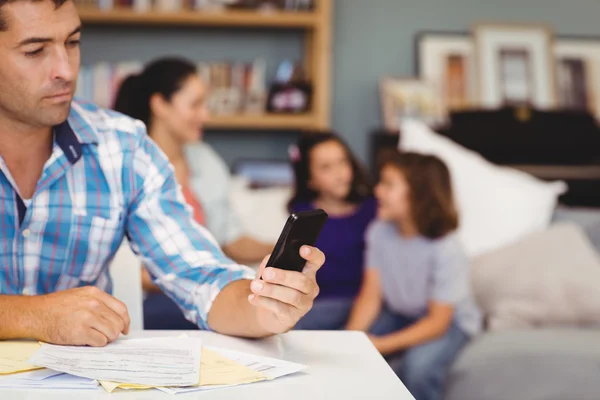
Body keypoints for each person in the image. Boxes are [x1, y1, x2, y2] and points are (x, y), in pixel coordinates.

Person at [0, 0, 324, 347]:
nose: (65, 69)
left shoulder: (124, 147)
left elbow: (199, 276)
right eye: (35, 51)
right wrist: (33, 315)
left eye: (73, 42)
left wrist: (266, 308)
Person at [113, 58, 274, 329]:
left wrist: (281, 251)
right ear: (160, 105)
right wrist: (192, 278)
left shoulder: (205, 160)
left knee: (261, 312)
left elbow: (229, 239)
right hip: (151, 299)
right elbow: (123, 269)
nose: (206, 115)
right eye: (195, 104)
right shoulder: (125, 165)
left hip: (201, 290)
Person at [346, 151, 481, 400]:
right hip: (400, 312)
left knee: (418, 367)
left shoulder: (446, 247)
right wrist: (351, 340)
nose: (377, 191)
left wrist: (380, 345)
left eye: (388, 184)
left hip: (448, 322)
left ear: (419, 194)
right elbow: (371, 294)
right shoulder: (379, 232)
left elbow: (438, 322)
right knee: (349, 353)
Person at [288, 132, 376, 330]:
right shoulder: (302, 214)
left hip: (360, 301)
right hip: (316, 301)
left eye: (342, 162)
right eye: (326, 167)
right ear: (310, 179)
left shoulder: (374, 210)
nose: (339, 173)